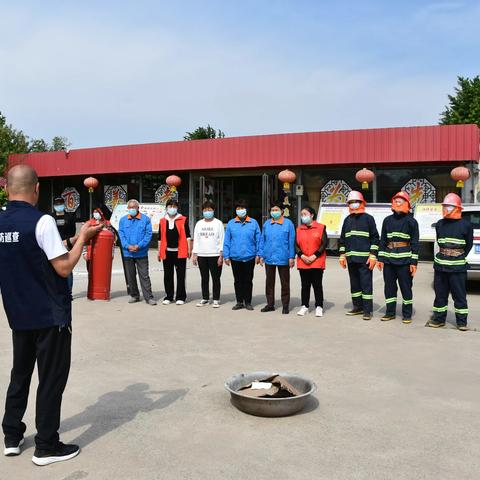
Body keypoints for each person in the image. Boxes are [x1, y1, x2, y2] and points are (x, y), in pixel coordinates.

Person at [0, 165, 101, 465]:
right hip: (49, 316)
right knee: (50, 380)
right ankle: (46, 444)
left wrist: (69, 242)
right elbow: (63, 267)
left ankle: (11, 435)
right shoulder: (41, 221)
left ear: (7, 188)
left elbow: (41, 251)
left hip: (19, 314)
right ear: (37, 189)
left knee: (20, 374)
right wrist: (83, 237)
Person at [428, 193, 473, 331]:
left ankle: (461, 322)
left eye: (449, 206)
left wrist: (456, 255)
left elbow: (468, 245)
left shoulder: (466, 225)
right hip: (441, 266)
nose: (446, 208)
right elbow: (439, 241)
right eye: (445, 206)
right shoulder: (440, 224)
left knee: (459, 295)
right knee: (440, 295)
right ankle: (439, 319)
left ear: (457, 207)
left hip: (457, 267)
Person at [377, 191, 419, 324]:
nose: (398, 202)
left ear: (407, 203)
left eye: (401, 200)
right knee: (389, 287)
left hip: (405, 261)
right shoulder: (387, 220)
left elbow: (415, 243)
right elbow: (383, 240)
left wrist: (414, 262)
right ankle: (390, 313)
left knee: (406, 288)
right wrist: (380, 258)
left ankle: (407, 314)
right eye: (396, 200)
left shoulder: (411, 221)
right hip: (389, 260)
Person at [339, 191, 379, 321]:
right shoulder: (347, 219)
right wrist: (342, 255)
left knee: (366, 285)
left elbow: (375, 238)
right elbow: (343, 239)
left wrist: (373, 255)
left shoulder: (368, 219)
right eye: (351, 202)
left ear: (362, 203)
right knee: (355, 284)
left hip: (365, 259)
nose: (353, 204)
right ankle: (357, 307)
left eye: (355, 202)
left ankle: (367, 310)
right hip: (351, 259)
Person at [258, 202, 296, 314]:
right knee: (269, 282)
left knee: (285, 283)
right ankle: (270, 304)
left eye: (276, 210)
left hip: (283, 257)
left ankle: (285, 305)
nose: (274, 212)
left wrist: (291, 257)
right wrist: (261, 255)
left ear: (282, 211)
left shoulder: (288, 224)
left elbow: (291, 241)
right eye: (272, 210)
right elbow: (262, 240)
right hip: (269, 257)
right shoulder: (267, 224)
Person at [223, 200, 261, 311]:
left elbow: (259, 239)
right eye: (238, 208)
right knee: (238, 280)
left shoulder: (253, 223)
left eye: (242, 208)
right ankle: (239, 301)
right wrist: (226, 255)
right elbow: (227, 241)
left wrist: (259, 254)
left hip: (249, 256)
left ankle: (248, 302)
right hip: (235, 257)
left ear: (246, 209)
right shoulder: (231, 223)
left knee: (248, 280)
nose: (240, 210)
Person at [118, 199, 156, 305]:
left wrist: (139, 246)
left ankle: (149, 297)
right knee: (130, 275)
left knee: (144, 275)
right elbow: (121, 235)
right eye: (129, 208)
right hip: (128, 253)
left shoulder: (145, 220)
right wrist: (127, 246)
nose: (131, 209)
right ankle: (134, 295)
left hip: (141, 253)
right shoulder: (123, 220)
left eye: (133, 207)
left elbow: (148, 235)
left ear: (138, 208)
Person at [158, 199, 192, 305]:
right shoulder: (163, 221)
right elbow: (160, 237)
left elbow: (188, 236)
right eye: (170, 206)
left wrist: (189, 249)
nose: (172, 208)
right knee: (168, 275)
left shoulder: (183, 219)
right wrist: (159, 251)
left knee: (180, 275)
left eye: (174, 206)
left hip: (180, 251)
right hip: (167, 251)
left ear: (177, 208)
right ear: (166, 208)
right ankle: (169, 296)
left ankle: (181, 296)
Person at [296, 206, 328, 317]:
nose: (303, 217)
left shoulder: (321, 227)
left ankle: (319, 306)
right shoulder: (299, 229)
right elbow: (296, 245)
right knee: (304, 285)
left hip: (317, 261)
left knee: (317, 284)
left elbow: (324, 243)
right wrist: (302, 255)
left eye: (305, 214)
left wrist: (315, 256)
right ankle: (304, 306)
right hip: (303, 261)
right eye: (301, 215)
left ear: (312, 215)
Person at [192, 200, 224, 308]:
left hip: (215, 255)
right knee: (204, 278)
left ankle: (216, 299)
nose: (207, 212)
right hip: (202, 255)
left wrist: (221, 255)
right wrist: (194, 254)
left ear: (213, 211)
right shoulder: (199, 224)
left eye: (209, 209)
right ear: (202, 211)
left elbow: (222, 240)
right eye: (205, 210)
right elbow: (196, 240)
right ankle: (205, 298)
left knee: (216, 278)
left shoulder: (218, 223)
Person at [51, 196, 77, 299]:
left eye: (60, 203)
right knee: (54, 269)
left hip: (66, 245)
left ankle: (68, 293)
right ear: (54, 205)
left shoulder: (69, 217)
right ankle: (57, 291)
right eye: (57, 204)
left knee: (68, 269)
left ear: (64, 204)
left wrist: (68, 242)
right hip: (54, 245)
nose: (59, 205)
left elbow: (73, 231)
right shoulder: (51, 217)